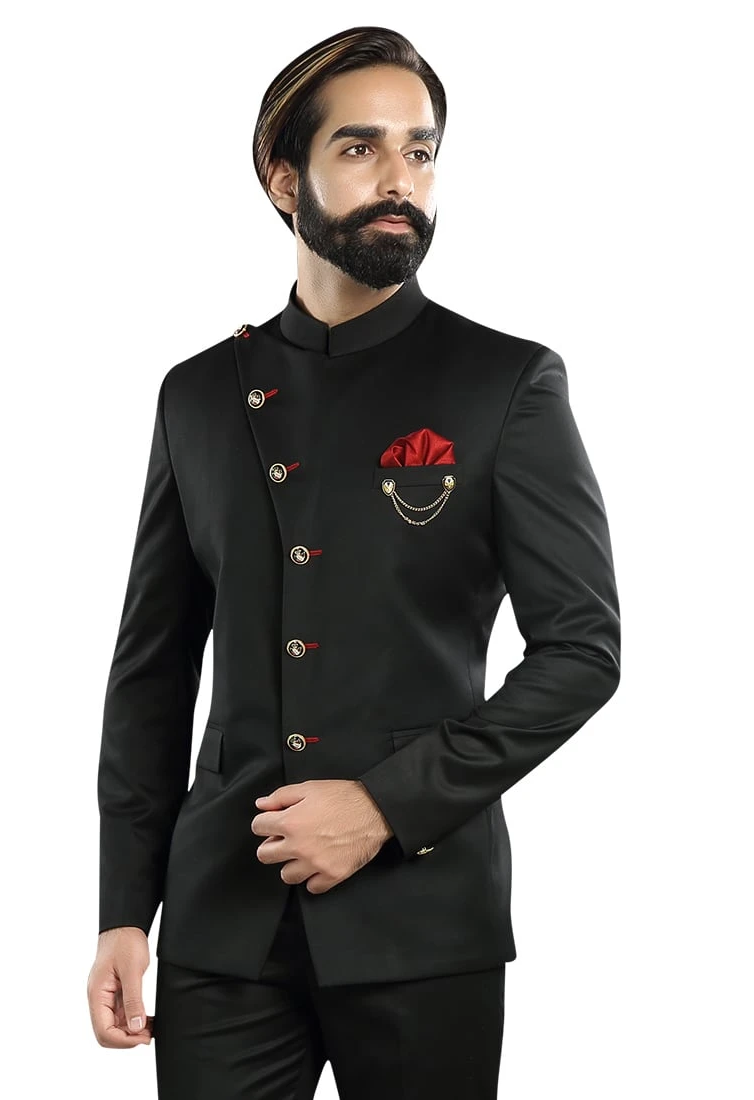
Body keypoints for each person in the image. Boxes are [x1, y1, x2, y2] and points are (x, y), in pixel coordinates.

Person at [87, 24, 621, 1099]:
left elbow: (581, 652)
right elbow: (152, 671)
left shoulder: (504, 383)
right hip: (222, 923)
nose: (399, 179)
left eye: (420, 151)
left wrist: (384, 805)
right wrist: (122, 908)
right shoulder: (197, 395)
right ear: (284, 178)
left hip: (424, 921)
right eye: (361, 147)